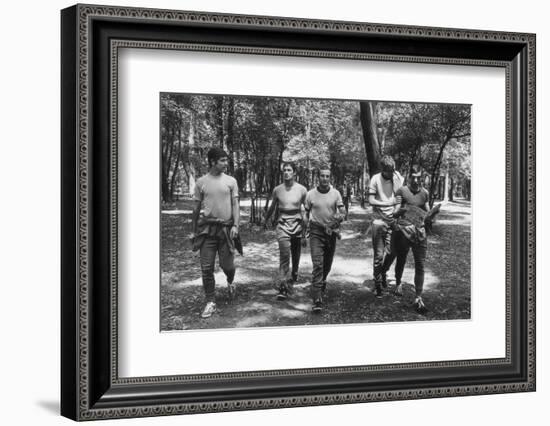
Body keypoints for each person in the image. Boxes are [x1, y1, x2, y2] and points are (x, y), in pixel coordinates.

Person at [190, 147, 240, 318]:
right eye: (223, 160)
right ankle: (210, 300)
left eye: (226, 160)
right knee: (206, 268)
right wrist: (194, 230)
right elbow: (196, 209)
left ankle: (230, 281)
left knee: (228, 266)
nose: (226, 163)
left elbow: (235, 205)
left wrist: (236, 226)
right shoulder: (201, 182)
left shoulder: (231, 181)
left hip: (226, 229)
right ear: (213, 162)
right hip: (207, 230)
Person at [382, 165, 434, 313]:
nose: (416, 180)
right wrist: (399, 212)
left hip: (419, 233)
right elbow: (395, 210)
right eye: (413, 177)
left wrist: (431, 216)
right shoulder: (402, 191)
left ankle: (418, 296)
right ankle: (398, 283)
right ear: (409, 177)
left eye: (418, 177)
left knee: (420, 264)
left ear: (422, 177)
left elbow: (426, 210)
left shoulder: (425, 193)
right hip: (404, 231)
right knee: (401, 258)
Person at [264, 162, 308, 300]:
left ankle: (294, 273)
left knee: (296, 255)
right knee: (284, 256)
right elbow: (272, 206)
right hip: (282, 225)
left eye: (289, 170)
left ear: (294, 173)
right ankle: (283, 287)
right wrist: (265, 219)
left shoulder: (302, 190)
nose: (286, 172)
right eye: (284, 170)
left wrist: (305, 234)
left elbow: (306, 212)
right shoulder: (277, 190)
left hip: (298, 225)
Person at [305, 167, 346, 313]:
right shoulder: (310, 194)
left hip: (331, 232)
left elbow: (342, 211)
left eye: (327, 176)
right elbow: (306, 212)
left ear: (330, 178)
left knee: (327, 264)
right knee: (318, 263)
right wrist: (305, 228)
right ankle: (317, 297)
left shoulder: (335, 194)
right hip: (316, 230)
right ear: (318, 177)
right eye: (322, 176)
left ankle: (322, 281)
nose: (324, 178)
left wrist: (338, 219)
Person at [367, 155, 403, 298]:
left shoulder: (397, 177)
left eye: (393, 169)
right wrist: (388, 203)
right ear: (383, 169)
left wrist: (396, 211)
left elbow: (400, 198)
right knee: (378, 255)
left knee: (394, 251)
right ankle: (377, 284)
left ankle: (383, 271)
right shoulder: (375, 179)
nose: (392, 173)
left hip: (393, 220)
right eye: (389, 171)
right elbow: (371, 200)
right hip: (378, 220)